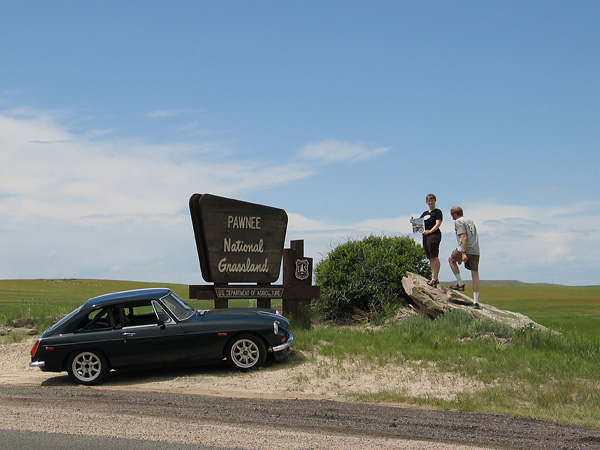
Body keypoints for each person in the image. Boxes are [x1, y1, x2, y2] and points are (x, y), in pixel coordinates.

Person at [448, 206, 481, 308]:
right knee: (475, 274)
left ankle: (460, 284)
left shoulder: (458, 221)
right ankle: (476, 302)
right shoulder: (470, 220)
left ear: (454, 214)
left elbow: (464, 236)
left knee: (451, 260)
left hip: (465, 248)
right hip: (475, 249)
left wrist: (463, 252)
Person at [411, 193, 443, 287]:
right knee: (430, 257)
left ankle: (435, 278)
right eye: (428, 200)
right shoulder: (425, 213)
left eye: (432, 200)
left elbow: (438, 224)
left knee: (434, 255)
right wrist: (412, 221)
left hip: (434, 235)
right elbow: (419, 224)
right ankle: (433, 276)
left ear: (435, 201)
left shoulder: (437, 212)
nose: (430, 202)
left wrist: (430, 231)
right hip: (425, 236)